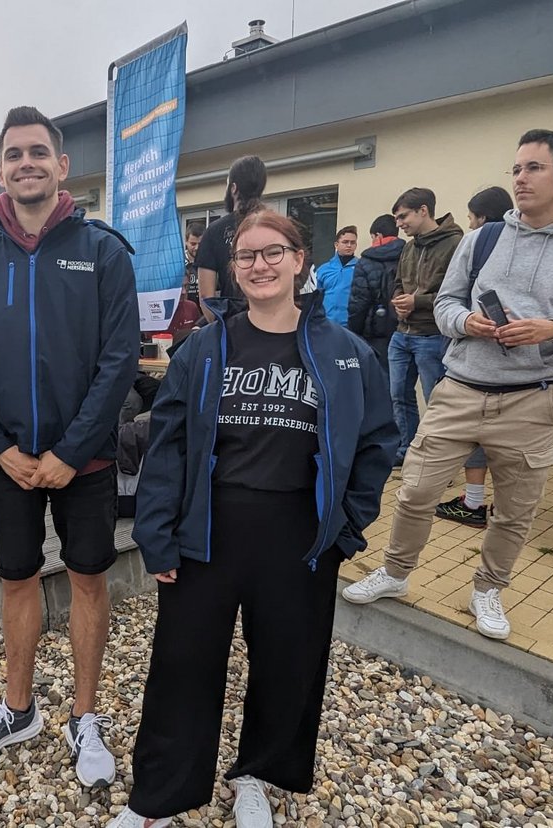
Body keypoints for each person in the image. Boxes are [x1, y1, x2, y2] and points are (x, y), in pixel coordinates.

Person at [107, 210, 396, 828]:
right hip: (208, 529)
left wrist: (346, 528)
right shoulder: (204, 349)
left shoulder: (344, 352)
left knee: (289, 663)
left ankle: (255, 775)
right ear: (233, 269)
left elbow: (377, 444)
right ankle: (158, 797)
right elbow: (170, 448)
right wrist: (156, 538)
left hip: (298, 534)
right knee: (183, 665)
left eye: (273, 253)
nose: (259, 265)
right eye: (246, 256)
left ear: (300, 260)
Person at [343, 129, 553, 641]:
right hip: (461, 388)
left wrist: (552, 329)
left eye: (534, 168)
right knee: (416, 491)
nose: (520, 178)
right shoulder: (482, 238)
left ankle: (488, 589)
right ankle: (396, 573)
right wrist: (467, 322)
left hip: (533, 399)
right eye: (516, 168)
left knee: (514, 511)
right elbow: (445, 304)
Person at [0, 106, 139, 787]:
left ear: (62, 166)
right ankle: (18, 708)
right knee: (17, 577)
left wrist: (73, 448)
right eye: (12, 154)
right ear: (0, 170)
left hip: (82, 463)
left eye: (38, 152)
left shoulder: (104, 251)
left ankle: (85, 717)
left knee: (88, 578)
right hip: (11, 463)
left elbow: (121, 360)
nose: (25, 162)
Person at [434, 186, 514, 527]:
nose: (468, 224)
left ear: (481, 218)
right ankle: (492, 505)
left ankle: (474, 501)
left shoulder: (479, 243)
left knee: (473, 433)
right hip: (520, 373)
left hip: (477, 363)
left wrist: (466, 322)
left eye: (471, 217)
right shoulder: (501, 245)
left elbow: (447, 299)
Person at [387, 188, 464, 466]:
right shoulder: (408, 246)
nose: (399, 223)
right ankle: (406, 450)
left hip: (432, 335)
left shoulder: (456, 243)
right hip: (401, 334)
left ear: (423, 210)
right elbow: (398, 282)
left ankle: (437, 459)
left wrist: (417, 302)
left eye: (403, 216)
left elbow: (457, 293)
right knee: (399, 396)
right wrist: (399, 301)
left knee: (437, 403)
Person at [196, 156, 266, 322]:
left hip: (233, 324)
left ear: (233, 188)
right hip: (274, 323)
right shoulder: (277, 227)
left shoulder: (215, 231)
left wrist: (219, 328)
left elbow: (206, 295)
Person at [348, 214, 404, 373]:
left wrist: (354, 332)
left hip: (374, 332)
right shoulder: (409, 254)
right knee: (403, 387)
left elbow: (359, 302)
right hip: (404, 329)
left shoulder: (366, 261)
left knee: (377, 380)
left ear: (378, 236)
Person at [314, 225, 360, 326]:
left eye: (352, 242)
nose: (349, 245)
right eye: (345, 242)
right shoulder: (323, 269)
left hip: (351, 326)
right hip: (326, 324)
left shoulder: (361, 268)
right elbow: (316, 299)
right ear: (336, 244)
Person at [184, 221, 204, 302]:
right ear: (186, 241)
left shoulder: (211, 262)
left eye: (200, 244)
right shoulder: (178, 264)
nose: (197, 248)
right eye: (193, 244)